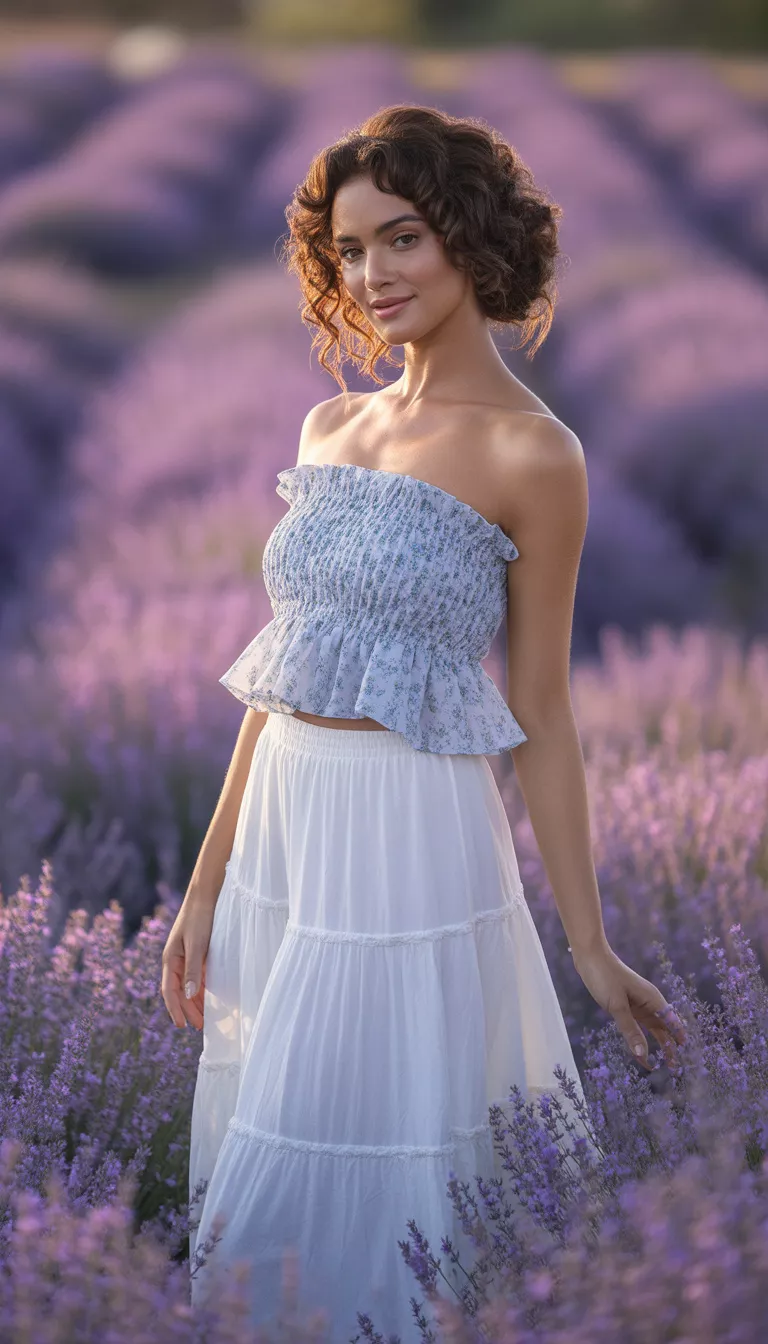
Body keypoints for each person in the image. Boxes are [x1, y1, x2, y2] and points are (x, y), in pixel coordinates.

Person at [161, 105, 687, 1341]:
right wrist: (204, 881)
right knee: (276, 1143)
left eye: (401, 238)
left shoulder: (532, 454)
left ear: (469, 240)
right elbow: (287, 669)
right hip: (288, 827)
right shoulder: (330, 427)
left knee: (392, 1156)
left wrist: (591, 945)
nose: (374, 275)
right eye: (349, 252)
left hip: (409, 836)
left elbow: (545, 716)